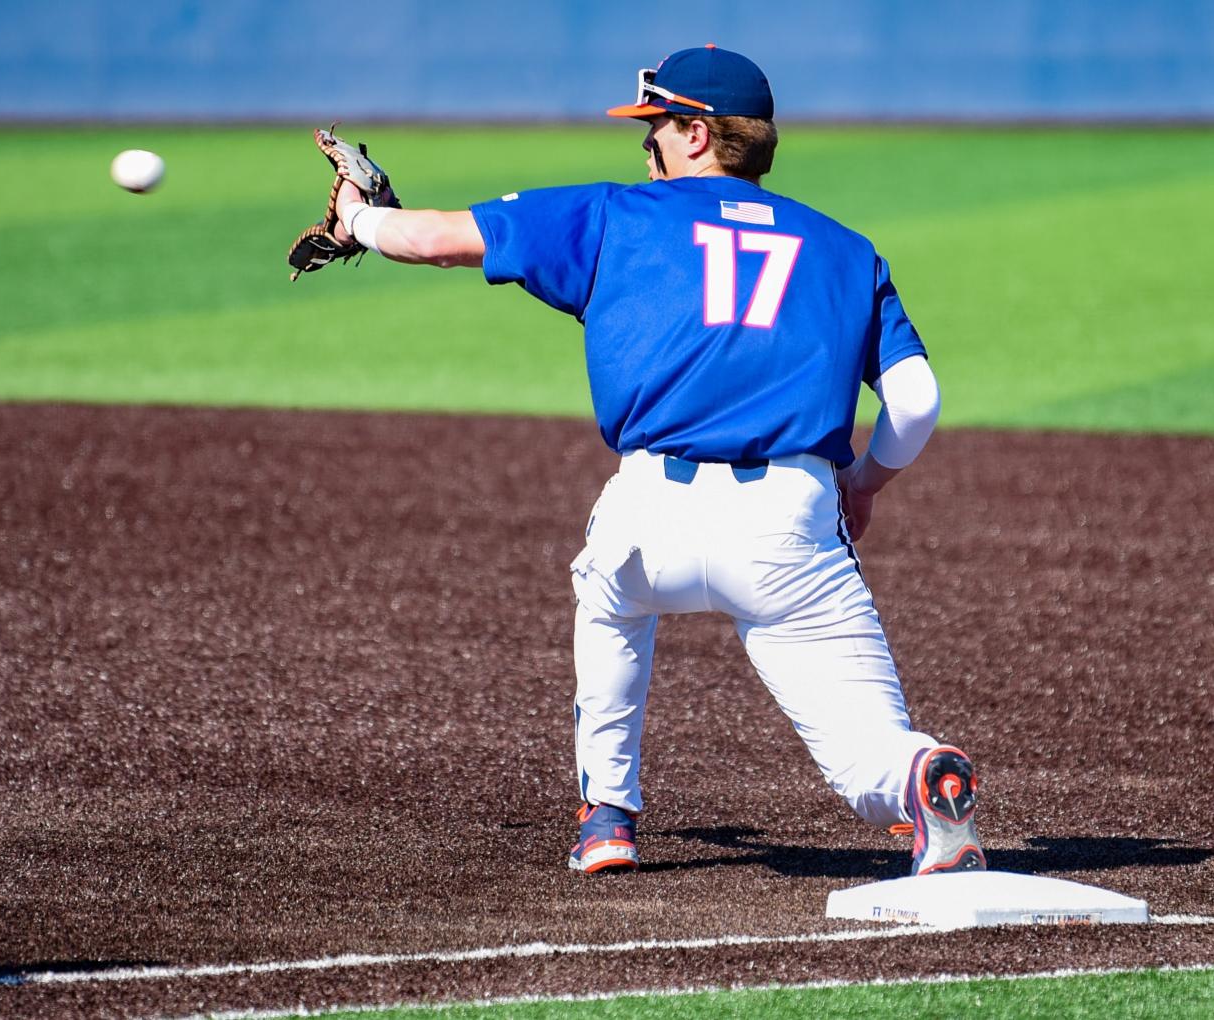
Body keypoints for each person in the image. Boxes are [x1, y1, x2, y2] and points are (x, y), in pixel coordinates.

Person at [327, 44, 986, 877]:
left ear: (699, 136)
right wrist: (863, 483)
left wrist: (357, 216)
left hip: (651, 517)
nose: (644, 149)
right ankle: (919, 781)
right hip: (790, 529)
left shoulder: (615, 215)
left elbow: (427, 239)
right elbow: (917, 399)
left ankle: (606, 815)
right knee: (869, 756)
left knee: (607, 604)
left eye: (655, 129)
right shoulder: (847, 251)